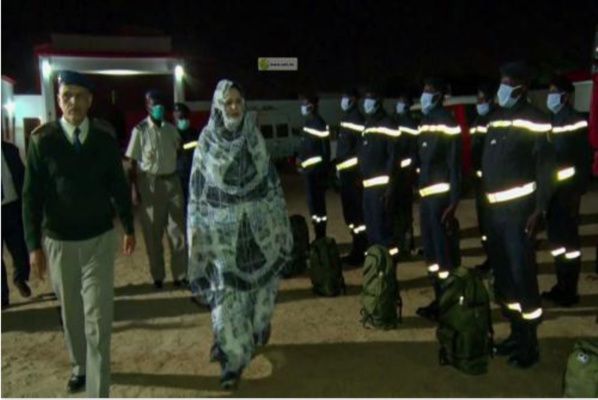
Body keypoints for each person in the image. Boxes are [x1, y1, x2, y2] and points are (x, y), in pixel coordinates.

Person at [22, 70, 136, 397]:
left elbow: (117, 184)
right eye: (67, 95)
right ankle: (79, 365)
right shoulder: (42, 141)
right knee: (72, 315)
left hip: (98, 240)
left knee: (98, 319)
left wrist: (128, 226)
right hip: (59, 243)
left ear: (90, 100)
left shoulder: (103, 138)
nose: (73, 102)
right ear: (58, 100)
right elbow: (31, 197)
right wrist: (34, 246)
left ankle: (97, 391)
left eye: (80, 95)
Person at [187, 80, 292, 390]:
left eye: (238, 102)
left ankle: (257, 329)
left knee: (261, 301)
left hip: (258, 234)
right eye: (228, 102)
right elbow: (197, 193)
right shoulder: (206, 143)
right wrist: (196, 234)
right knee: (227, 300)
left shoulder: (254, 137)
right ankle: (232, 358)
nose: (234, 107)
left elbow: (272, 185)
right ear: (218, 106)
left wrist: (281, 226)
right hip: (222, 240)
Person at [482, 61, 555, 369]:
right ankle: (515, 331)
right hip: (494, 214)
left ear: (521, 87)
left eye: (507, 81)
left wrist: (540, 209)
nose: (502, 86)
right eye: (501, 80)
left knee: (523, 276)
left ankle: (530, 344)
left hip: (518, 214)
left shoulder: (536, 120)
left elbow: (546, 169)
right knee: (504, 278)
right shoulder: (496, 119)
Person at [126, 90, 187, 289]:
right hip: (150, 185)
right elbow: (132, 163)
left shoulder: (171, 130)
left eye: (161, 104)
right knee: (153, 235)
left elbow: (179, 152)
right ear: (147, 106)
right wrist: (134, 189)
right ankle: (158, 276)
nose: (158, 107)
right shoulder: (140, 131)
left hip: (172, 183)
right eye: (154, 104)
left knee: (178, 232)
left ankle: (181, 275)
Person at [542, 74, 591, 306]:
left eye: (554, 92)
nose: (550, 96)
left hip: (567, 194)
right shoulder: (551, 120)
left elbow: (583, 159)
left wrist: (577, 194)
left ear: (565, 95)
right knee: (557, 244)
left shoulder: (575, 121)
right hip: (552, 193)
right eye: (549, 91)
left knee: (569, 246)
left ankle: (570, 291)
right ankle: (560, 285)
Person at [415, 77, 462, 321]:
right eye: (423, 90)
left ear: (439, 96)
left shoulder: (447, 122)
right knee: (432, 255)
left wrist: (453, 202)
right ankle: (439, 299)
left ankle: (449, 303)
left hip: (440, 200)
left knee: (444, 255)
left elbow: (455, 165)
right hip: (426, 199)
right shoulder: (425, 122)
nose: (423, 95)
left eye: (429, 91)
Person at [358, 88, 400, 256]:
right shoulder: (368, 124)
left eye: (370, 98)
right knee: (372, 230)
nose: (367, 103)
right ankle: (377, 266)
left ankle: (388, 269)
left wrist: (389, 188)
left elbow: (393, 158)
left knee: (383, 231)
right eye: (366, 98)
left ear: (378, 101)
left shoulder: (387, 123)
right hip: (368, 188)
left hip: (381, 189)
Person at [337, 88, 367, 265]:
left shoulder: (356, 120)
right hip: (346, 176)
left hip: (353, 176)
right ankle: (357, 248)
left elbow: (361, 150)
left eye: (347, 96)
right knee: (350, 216)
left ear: (354, 99)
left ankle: (360, 250)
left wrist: (359, 175)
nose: (343, 99)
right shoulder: (347, 119)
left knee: (357, 217)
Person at [470, 84, 497, 273]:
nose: (479, 103)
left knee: (493, 224)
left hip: (493, 182)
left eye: (482, 100)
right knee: (484, 225)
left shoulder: (496, 119)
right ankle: (490, 257)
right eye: (477, 100)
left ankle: (497, 261)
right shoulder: (478, 120)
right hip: (480, 181)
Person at [2, 140, 32, 308]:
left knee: (19, 249)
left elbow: (22, 176)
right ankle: (2, 295)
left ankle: (20, 279)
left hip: (12, 209)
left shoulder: (10, 150)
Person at [298, 94, 330, 239]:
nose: (302, 107)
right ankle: (318, 234)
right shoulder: (308, 123)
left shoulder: (319, 123)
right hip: (309, 173)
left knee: (318, 207)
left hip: (316, 174)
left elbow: (325, 151)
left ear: (311, 106)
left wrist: (324, 172)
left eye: (305, 104)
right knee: (313, 207)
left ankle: (321, 235)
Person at [391, 93, 419, 257]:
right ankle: (402, 243)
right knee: (399, 213)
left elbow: (413, 153)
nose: (399, 105)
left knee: (405, 213)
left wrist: (405, 168)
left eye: (402, 102)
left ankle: (407, 244)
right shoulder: (397, 121)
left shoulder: (409, 124)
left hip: (405, 177)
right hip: (398, 175)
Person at [173, 102, 197, 204]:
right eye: (180, 117)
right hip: (176, 174)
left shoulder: (194, 133)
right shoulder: (171, 133)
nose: (183, 120)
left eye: (184, 117)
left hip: (192, 173)